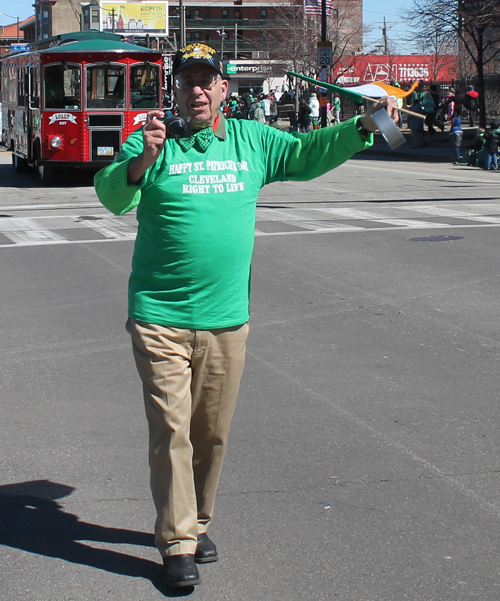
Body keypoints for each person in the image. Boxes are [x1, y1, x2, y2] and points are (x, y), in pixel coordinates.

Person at [94, 42, 397, 590]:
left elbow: (306, 153)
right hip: (159, 315)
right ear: (177, 89)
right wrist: (141, 159)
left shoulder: (252, 141)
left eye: (208, 80)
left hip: (227, 317)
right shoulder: (153, 139)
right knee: (171, 429)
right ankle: (178, 542)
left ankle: (197, 521)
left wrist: (361, 127)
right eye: (188, 80)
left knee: (211, 434)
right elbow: (112, 195)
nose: (198, 89)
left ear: (224, 90)